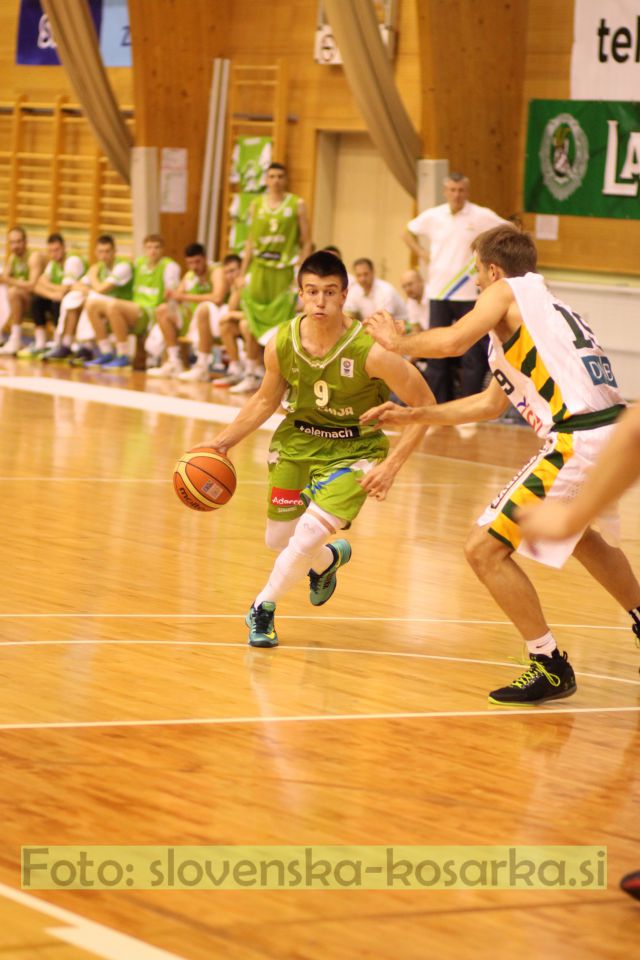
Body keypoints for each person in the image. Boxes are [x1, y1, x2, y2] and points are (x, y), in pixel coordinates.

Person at [362, 224, 640, 705]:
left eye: (475, 272)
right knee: (579, 537)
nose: (473, 283)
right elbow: (491, 404)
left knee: (482, 550)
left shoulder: (510, 289)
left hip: (579, 436)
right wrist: (416, 413)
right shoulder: (545, 311)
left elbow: (451, 342)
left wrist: (397, 342)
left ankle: (548, 663)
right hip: (607, 432)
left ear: (493, 270)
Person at [206, 250, 434, 648]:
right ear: (300, 294)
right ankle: (328, 561)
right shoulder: (282, 342)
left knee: (310, 530)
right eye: (311, 292)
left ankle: (262, 607)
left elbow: (426, 405)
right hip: (298, 442)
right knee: (280, 540)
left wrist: (394, 464)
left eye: (330, 292)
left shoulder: (372, 350)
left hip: (355, 447)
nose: (320, 301)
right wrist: (221, 442)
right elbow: (264, 400)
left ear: (345, 295)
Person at [403, 172, 506, 402]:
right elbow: (407, 230)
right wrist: (421, 253)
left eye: (460, 190)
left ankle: (467, 404)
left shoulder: (480, 215)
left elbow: (509, 228)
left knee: (472, 353)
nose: (456, 195)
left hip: (469, 293)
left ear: (467, 192)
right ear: (445, 191)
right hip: (439, 292)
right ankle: (436, 403)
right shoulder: (434, 216)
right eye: (452, 190)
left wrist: (491, 259)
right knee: (435, 349)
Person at [239, 161, 312, 358]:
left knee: (281, 321)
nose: (276, 181)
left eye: (280, 177)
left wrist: (301, 271)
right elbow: (250, 242)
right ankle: (252, 369)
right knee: (252, 319)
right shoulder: (256, 204)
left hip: (284, 269)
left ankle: (280, 370)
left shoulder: (297, 204)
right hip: (259, 268)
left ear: (286, 180)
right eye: (272, 177)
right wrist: (242, 273)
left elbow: (306, 242)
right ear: (266, 180)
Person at [85, 234, 180, 369]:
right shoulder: (138, 263)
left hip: (151, 311)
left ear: (163, 250)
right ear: (144, 249)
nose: (153, 251)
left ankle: (122, 355)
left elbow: (172, 294)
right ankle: (105, 352)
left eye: (157, 247)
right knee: (92, 304)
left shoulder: (169, 266)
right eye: (149, 247)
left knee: (113, 305)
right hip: (135, 308)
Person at [42, 234, 133, 363]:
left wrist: (92, 276)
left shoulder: (123, 266)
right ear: (96, 252)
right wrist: (88, 289)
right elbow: (75, 285)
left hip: (122, 306)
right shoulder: (98, 268)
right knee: (73, 298)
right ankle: (66, 344)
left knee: (91, 301)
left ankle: (90, 347)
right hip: (104, 305)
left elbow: (101, 289)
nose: (104, 255)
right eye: (101, 251)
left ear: (114, 252)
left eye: (107, 251)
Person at [147, 242, 214, 379]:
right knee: (162, 310)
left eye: (198, 262)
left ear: (205, 258)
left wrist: (183, 296)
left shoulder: (215, 271)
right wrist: (171, 295)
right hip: (190, 318)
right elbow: (178, 296)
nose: (194, 267)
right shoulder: (189, 276)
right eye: (190, 263)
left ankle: (202, 366)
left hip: (211, 319)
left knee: (203, 310)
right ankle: (174, 361)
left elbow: (217, 297)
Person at [178, 254, 244, 384]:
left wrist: (232, 314)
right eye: (227, 272)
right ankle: (202, 366)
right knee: (210, 314)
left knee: (231, 323)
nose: (230, 275)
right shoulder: (190, 276)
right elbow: (176, 295)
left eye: (233, 271)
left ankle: (248, 371)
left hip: (254, 323)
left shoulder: (247, 285)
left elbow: (219, 299)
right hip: (228, 319)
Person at [22, 233, 86, 358]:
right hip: (60, 298)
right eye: (51, 251)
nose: (54, 254)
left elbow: (65, 289)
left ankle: (62, 343)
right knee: (37, 300)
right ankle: (41, 342)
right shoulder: (53, 264)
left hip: (78, 301)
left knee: (59, 301)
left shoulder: (73, 261)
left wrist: (52, 289)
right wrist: (52, 293)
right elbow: (38, 283)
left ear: (64, 248)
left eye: (57, 250)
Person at [0, 227, 45, 355]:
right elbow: (4, 279)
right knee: (7, 291)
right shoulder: (12, 258)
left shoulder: (33, 257)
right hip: (20, 300)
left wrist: (9, 280)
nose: (15, 246)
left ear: (25, 242)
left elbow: (32, 285)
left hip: (37, 301)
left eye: (18, 242)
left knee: (13, 292)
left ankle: (16, 338)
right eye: (12, 242)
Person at [344, 258, 408, 327]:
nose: (362, 279)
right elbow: (349, 316)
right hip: (374, 328)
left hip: (401, 328)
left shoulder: (385, 290)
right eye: (359, 275)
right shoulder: (355, 290)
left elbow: (384, 322)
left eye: (365, 274)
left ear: (373, 272)